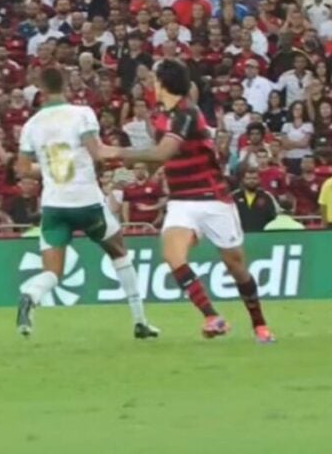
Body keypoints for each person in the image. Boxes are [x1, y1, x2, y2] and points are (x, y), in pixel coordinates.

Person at [100, 60, 274, 343]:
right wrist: (141, 177)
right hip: (182, 201)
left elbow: (164, 152)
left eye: (153, 76)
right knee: (172, 255)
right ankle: (212, 316)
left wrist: (114, 152)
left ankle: (260, 325)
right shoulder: (160, 115)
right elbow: (162, 159)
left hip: (212, 198)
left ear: (162, 81)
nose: (148, 81)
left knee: (236, 265)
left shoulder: (186, 112)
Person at [15, 66, 158, 339]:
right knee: (119, 251)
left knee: (53, 272)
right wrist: (139, 153)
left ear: (41, 91)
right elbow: (98, 153)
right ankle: (140, 320)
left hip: (54, 205)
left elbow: (22, 169)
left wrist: (48, 167)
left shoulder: (31, 125)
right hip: (86, 201)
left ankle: (30, 295)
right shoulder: (81, 114)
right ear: (66, 85)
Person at [233, 168, 277, 232]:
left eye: (254, 178)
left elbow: (273, 217)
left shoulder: (267, 197)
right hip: (240, 236)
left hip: (262, 236)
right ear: (243, 180)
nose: (251, 181)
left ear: (259, 180)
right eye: (248, 179)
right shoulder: (235, 196)